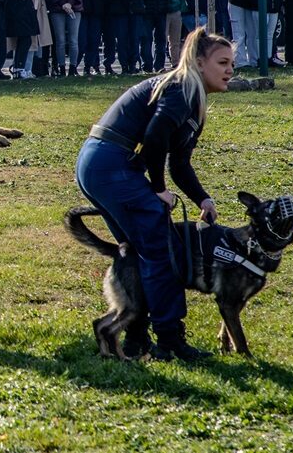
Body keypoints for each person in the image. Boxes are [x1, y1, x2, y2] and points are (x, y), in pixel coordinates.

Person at [75, 28, 235, 361]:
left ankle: (135, 338)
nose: (229, 70)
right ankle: (169, 340)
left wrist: (202, 199)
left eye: (232, 63)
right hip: (111, 163)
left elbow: (179, 162)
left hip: (101, 163)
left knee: (136, 250)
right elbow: (155, 137)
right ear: (199, 61)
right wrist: (159, 191)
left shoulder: (191, 96)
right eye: (222, 62)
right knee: (163, 250)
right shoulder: (182, 89)